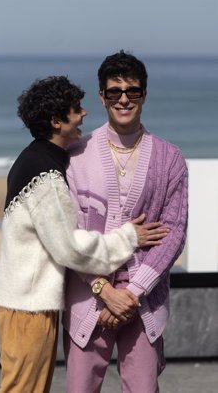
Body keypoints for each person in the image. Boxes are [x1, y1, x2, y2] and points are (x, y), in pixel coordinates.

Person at [0, 75, 169, 393]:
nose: (84, 114)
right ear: (56, 121)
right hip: (28, 307)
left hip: (23, 302)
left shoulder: (37, 159)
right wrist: (128, 237)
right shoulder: (45, 174)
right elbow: (69, 248)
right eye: (75, 109)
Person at [63, 51, 188, 393]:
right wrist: (103, 290)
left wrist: (131, 293)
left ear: (144, 95)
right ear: (101, 97)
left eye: (132, 91)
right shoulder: (76, 155)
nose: (123, 99)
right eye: (114, 91)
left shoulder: (170, 157)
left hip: (143, 301)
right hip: (87, 298)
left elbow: (174, 231)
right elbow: (68, 235)